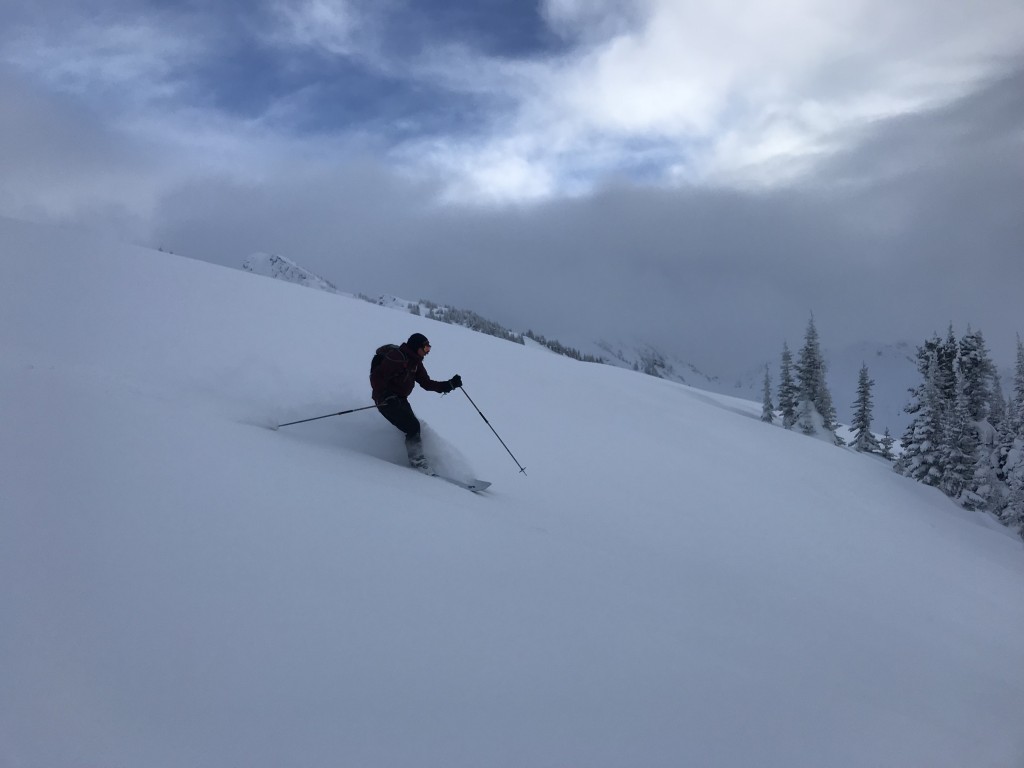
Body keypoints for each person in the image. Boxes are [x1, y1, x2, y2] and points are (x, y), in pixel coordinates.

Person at [370, 333, 462, 470]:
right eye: (425, 349)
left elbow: (426, 383)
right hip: (386, 401)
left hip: (401, 400)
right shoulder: (397, 358)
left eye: (429, 349)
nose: (427, 352)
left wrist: (449, 385)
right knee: (412, 427)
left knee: (414, 427)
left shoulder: (416, 363)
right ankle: (417, 461)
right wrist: (386, 396)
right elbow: (376, 378)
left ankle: (419, 457)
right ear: (416, 347)